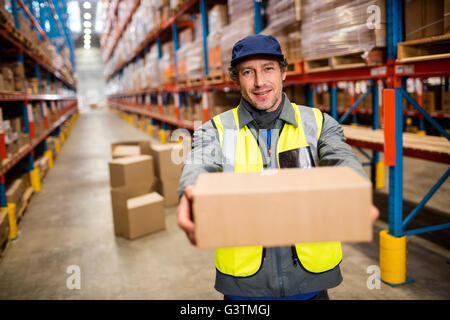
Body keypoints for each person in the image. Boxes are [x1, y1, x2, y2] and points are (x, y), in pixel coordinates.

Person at [176, 34, 379, 300]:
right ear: (236, 79)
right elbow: (200, 162)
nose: (260, 82)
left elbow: (341, 157)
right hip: (245, 286)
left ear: (284, 72)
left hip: (310, 281)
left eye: (268, 69)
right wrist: (189, 191)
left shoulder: (318, 123)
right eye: (248, 72)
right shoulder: (216, 130)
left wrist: (355, 188)